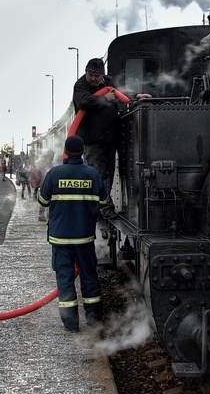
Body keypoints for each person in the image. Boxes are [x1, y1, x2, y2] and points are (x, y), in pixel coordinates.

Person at [37, 135, 107, 332]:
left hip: (60, 238)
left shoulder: (54, 173)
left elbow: (42, 201)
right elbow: (103, 202)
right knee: (89, 275)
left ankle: (71, 323)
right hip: (84, 236)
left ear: (66, 152)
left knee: (65, 279)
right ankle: (93, 318)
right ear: (83, 151)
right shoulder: (92, 173)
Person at [72, 57, 150, 215]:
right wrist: (104, 98)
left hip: (109, 138)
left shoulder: (108, 81)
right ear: (86, 72)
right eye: (90, 75)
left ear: (102, 74)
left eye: (97, 75)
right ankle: (104, 208)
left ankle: (102, 206)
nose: (93, 79)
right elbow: (83, 102)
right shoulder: (80, 85)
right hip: (92, 140)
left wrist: (136, 96)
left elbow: (120, 93)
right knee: (98, 173)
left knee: (109, 172)